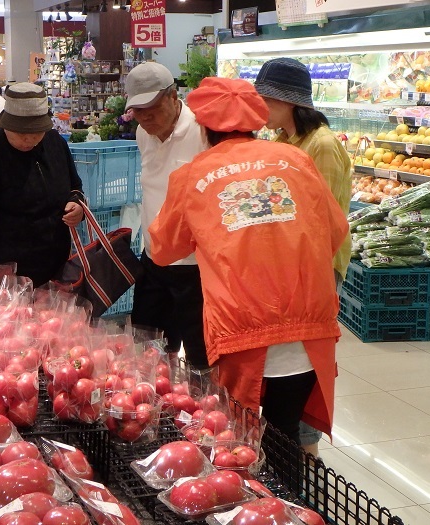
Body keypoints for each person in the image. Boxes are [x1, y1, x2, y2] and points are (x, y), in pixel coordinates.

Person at [148, 77, 348, 444]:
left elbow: (162, 249)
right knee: (285, 436)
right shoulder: (297, 160)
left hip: (242, 327)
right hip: (310, 322)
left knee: (236, 439)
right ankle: (292, 501)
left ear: (205, 127)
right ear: (256, 121)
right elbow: (336, 232)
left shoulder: (192, 175)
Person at [255, 57, 352, 456]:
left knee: (305, 361)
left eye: (265, 99)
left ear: (287, 101)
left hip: (317, 269)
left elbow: (321, 222)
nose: (260, 108)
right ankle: (292, 449)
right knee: (287, 360)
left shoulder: (323, 146)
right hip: (289, 268)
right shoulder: (284, 141)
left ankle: (306, 456)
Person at [124, 62, 210, 369]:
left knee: (202, 357)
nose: (145, 119)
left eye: (153, 109)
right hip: (153, 259)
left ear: (174, 97)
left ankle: (202, 411)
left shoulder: (203, 131)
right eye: (138, 111)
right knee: (150, 352)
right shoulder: (143, 133)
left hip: (195, 266)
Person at [0, 82, 84, 287]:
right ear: (6, 125)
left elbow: (75, 185)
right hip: (11, 273)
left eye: (37, 132)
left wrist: (77, 205)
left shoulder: (55, 143)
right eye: (22, 133)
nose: (29, 139)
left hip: (57, 266)